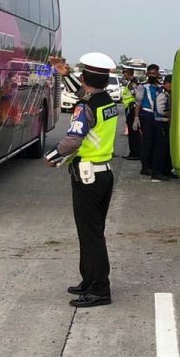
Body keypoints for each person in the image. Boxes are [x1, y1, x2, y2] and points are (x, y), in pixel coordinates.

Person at [44, 52, 119, 308]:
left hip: (88, 177)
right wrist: (66, 74)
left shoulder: (85, 107)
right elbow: (85, 94)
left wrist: (52, 156)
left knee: (91, 235)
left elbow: (73, 140)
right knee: (91, 232)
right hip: (103, 174)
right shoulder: (106, 101)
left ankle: (100, 289)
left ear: (86, 78)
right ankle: (89, 280)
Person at [136, 63, 162, 178]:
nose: (152, 75)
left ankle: (152, 165)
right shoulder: (142, 86)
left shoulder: (159, 87)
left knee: (155, 143)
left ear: (158, 74)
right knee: (147, 142)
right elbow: (138, 103)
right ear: (147, 74)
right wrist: (136, 117)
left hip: (156, 118)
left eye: (154, 73)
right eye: (150, 73)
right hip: (146, 116)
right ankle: (145, 167)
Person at [121, 67, 143, 160]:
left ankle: (135, 153)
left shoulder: (132, 84)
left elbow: (136, 96)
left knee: (133, 132)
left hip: (132, 109)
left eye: (125, 73)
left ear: (129, 73)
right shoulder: (130, 83)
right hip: (129, 108)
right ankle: (133, 152)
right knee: (132, 132)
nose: (123, 75)